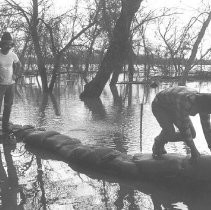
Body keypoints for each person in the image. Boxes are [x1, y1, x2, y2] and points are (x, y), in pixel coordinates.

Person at [151, 86, 211, 162]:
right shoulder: (185, 102)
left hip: (174, 106)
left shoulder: (205, 105)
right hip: (160, 105)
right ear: (196, 104)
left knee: (192, 134)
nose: (195, 114)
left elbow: (207, 129)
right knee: (169, 131)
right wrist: (193, 149)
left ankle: (163, 139)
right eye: (196, 111)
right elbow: (184, 128)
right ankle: (158, 143)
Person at [0, 32, 21, 133]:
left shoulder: (12, 54)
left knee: (8, 106)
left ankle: (5, 126)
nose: (8, 46)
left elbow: (19, 65)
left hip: (11, 84)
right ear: (2, 44)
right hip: (0, 85)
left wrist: (16, 75)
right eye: (6, 44)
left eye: (10, 44)